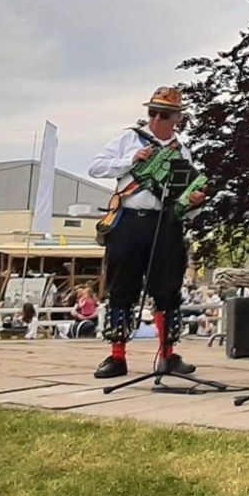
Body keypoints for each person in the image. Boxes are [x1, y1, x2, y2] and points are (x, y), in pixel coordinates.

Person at [87, 87, 207, 379]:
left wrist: (193, 204)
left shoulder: (183, 152)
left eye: (163, 114)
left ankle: (168, 355)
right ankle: (117, 357)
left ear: (176, 119)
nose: (155, 119)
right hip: (129, 220)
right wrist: (131, 160)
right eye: (152, 112)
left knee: (167, 289)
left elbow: (186, 200)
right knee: (122, 286)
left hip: (165, 223)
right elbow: (95, 167)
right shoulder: (129, 139)